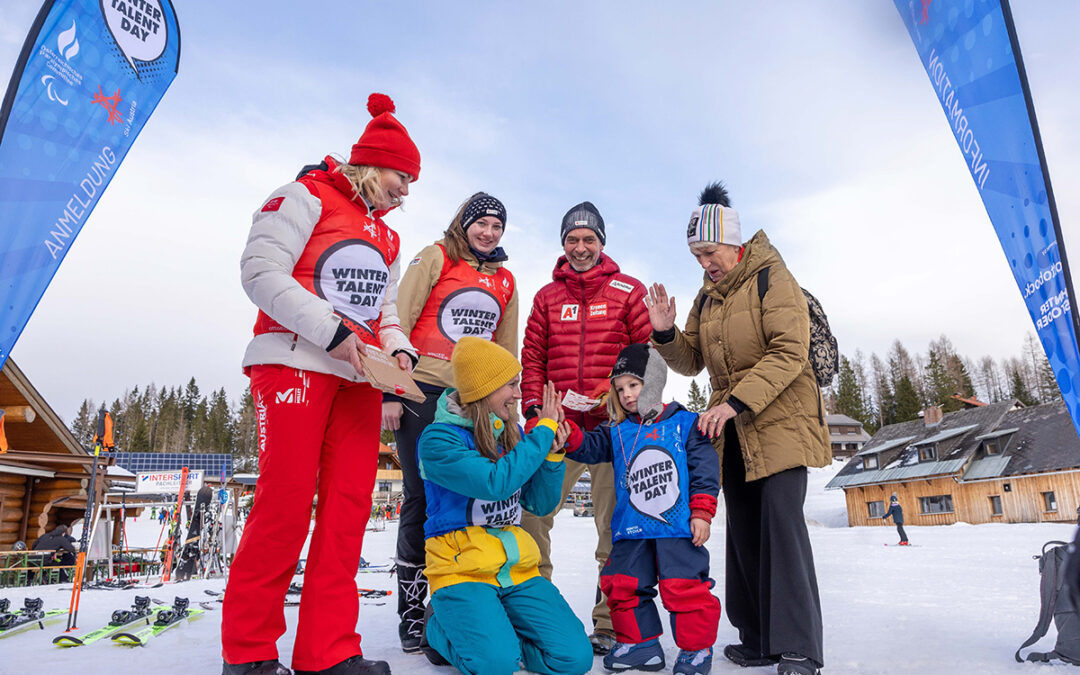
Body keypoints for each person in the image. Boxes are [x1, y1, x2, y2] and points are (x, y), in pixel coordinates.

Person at [222, 93, 421, 675]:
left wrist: (399, 350)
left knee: (347, 513)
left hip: (358, 379)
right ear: (370, 162)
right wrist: (335, 334)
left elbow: (384, 310)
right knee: (284, 506)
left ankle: (327, 652)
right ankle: (251, 654)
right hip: (294, 365)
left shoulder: (385, 236)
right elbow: (259, 274)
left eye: (410, 181)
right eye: (399, 175)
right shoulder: (302, 195)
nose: (405, 190)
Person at [647, 181, 831, 675]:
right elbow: (691, 361)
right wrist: (665, 331)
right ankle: (757, 639)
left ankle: (799, 648)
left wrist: (735, 404)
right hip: (734, 430)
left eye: (708, 251)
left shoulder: (773, 277)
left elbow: (789, 352)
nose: (703, 262)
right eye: (696, 255)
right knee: (746, 532)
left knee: (781, 527)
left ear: (733, 242)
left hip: (782, 423)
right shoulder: (707, 298)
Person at [381, 191, 519, 653]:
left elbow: (506, 349)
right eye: (482, 223)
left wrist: (509, 404)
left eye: (497, 227)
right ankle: (414, 610)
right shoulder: (436, 257)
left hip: (474, 400)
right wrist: (389, 388)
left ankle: (458, 601)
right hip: (421, 389)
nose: (489, 233)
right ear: (464, 223)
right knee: (422, 499)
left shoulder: (505, 280)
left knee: (470, 498)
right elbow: (396, 318)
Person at [519, 201, 651, 655]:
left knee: (613, 525)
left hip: (613, 430)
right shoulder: (545, 297)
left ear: (602, 243)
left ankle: (609, 622)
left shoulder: (627, 290)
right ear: (562, 245)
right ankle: (536, 611)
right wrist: (537, 412)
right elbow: (532, 359)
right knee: (533, 517)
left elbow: (643, 355)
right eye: (572, 240)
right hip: (557, 430)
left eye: (588, 239)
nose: (580, 247)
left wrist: (607, 392)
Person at [417, 337, 593, 675]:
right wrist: (542, 433)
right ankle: (436, 628)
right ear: (485, 388)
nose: (517, 394)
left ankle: (501, 639)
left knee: (574, 658)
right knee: (495, 666)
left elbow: (538, 504)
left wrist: (553, 454)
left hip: (514, 569)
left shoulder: (507, 432)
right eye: (511, 385)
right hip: (461, 571)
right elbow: (495, 483)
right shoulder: (438, 440)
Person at [561, 344, 721, 675]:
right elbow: (590, 447)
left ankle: (695, 650)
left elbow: (705, 472)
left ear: (653, 381)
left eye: (633, 385)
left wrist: (702, 513)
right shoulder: (617, 431)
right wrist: (569, 435)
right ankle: (640, 644)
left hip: (676, 528)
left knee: (684, 587)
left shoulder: (686, 423)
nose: (627, 394)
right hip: (632, 528)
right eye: (620, 389)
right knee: (621, 583)